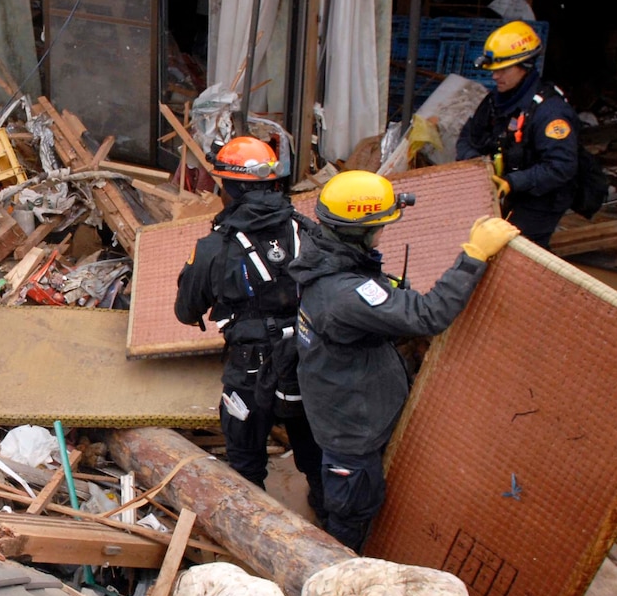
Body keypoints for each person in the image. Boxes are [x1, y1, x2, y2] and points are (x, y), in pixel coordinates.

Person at [290, 170, 519, 550]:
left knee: (340, 495)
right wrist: (472, 257)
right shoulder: (345, 294)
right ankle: (338, 564)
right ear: (358, 231)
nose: (382, 234)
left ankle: (327, 509)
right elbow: (428, 315)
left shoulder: (322, 256)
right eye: (379, 227)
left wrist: (382, 293)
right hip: (352, 430)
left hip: (342, 402)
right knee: (352, 512)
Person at [174, 136, 312, 492]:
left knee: (246, 465)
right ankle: (338, 537)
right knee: (317, 457)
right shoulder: (308, 232)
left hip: (251, 371)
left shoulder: (215, 248)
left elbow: (186, 310)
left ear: (229, 188)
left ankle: (253, 538)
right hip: (309, 364)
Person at [454, 21, 582, 247]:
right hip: (503, 189)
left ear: (525, 66)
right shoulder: (497, 100)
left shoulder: (550, 112)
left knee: (514, 250)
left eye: (503, 70)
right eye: (494, 70)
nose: (495, 77)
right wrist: (476, 166)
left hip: (540, 198)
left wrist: (514, 182)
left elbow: (561, 166)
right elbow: (468, 136)